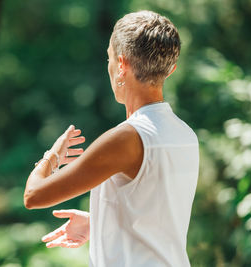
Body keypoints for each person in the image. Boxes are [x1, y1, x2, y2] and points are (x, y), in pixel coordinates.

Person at [24, 10, 199, 267]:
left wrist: (52, 157)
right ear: (171, 69)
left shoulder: (126, 138)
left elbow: (33, 195)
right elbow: (157, 216)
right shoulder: (185, 135)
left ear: (122, 65)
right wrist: (97, 221)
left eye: (109, 58)